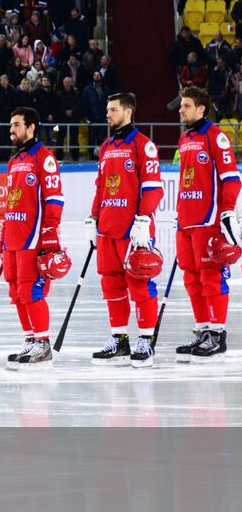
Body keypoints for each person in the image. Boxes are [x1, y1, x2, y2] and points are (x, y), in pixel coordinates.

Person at [87, 92, 164, 368]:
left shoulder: (144, 146)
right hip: (107, 228)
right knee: (111, 284)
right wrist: (92, 218)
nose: (107, 114)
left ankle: (145, 338)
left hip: (133, 230)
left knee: (140, 284)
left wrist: (144, 219)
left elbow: (153, 187)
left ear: (128, 111)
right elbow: (101, 186)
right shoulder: (106, 146)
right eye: (107, 109)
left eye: (113, 110)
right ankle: (119, 339)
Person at [171, 87, 240, 361]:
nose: (180, 109)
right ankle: (202, 331)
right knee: (191, 278)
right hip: (186, 221)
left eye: (186, 105)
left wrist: (226, 212)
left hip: (208, 220)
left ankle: (217, 334)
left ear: (201, 108)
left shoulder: (216, 137)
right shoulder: (185, 137)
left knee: (210, 276)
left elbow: (231, 178)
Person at [0, 107, 66, 370]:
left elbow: (54, 198)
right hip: (13, 238)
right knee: (16, 292)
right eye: (11, 125)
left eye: (17, 125)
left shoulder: (44, 158)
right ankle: (30, 338)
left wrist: (49, 233)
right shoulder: (14, 160)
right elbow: (10, 202)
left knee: (31, 290)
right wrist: (4, 235)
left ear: (31, 127)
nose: (12, 130)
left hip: (32, 238)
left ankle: (43, 342)